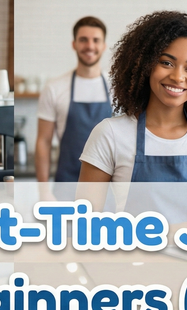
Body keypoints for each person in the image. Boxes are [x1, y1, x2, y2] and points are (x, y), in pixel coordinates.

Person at [79, 11, 187, 218]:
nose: (178, 77)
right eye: (166, 63)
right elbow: (85, 221)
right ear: (144, 65)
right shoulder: (110, 134)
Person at [36, 17, 112, 186]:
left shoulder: (117, 88)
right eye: (83, 40)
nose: (90, 46)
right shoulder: (54, 88)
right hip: (67, 184)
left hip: (108, 186)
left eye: (96, 40)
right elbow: (43, 141)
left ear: (104, 46)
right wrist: (43, 191)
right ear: (74, 44)